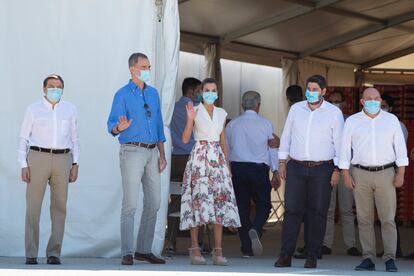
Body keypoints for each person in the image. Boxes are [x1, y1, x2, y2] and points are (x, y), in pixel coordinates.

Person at [275, 75, 344, 269]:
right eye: (309, 88)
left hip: (323, 169)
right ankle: (285, 255)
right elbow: (286, 135)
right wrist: (282, 162)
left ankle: (312, 255)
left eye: (315, 89)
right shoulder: (296, 109)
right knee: (292, 211)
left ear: (323, 91)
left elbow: (339, 143)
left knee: (318, 213)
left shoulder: (333, 113)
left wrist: (338, 169)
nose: (310, 92)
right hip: (296, 166)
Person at [107, 52, 167, 265]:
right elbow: (111, 124)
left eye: (149, 66)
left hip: (152, 152)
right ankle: (126, 252)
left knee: (154, 202)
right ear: (133, 69)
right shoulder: (122, 94)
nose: (147, 70)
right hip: (132, 151)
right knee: (130, 204)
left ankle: (143, 249)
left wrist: (162, 153)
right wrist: (118, 127)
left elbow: (159, 124)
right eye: (144, 66)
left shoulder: (153, 94)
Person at [339, 88, 408, 272]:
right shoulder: (352, 121)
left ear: (380, 100)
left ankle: (390, 258)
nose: (373, 101)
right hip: (360, 173)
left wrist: (401, 173)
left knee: (388, 219)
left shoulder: (391, 120)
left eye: (376, 98)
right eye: (368, 98)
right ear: (361, 101)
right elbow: (344, 149)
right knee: (364, 219)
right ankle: (368, 257)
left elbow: (400, 148)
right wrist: (345, 174)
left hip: (386, 173)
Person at [18, 74, 79, 265]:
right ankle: (31, 253)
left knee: (60, 206)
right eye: (51, 86)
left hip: (63, 158)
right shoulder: (33, 109)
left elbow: (75, 138)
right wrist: (23, 164)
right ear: (44, 89)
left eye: (59, 86)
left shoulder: (70, 109)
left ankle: (54, 253)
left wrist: (75, 163)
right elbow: (23, 138)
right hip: (37, 157)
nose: (55, 90)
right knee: (33, 207)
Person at [180, 78, 240, 266]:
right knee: (197, 201)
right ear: (201, 92)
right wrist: (190, 120)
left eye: (213, 90)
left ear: (217, 92)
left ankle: (218, 250)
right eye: (207, 90)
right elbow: (184, 139)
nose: (210, 93)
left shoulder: (222, 113)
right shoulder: (195, 110)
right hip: (199, 157)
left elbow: (223, 142)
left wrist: (227, 165)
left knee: (219, 202)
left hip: (218, 159)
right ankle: (195, 248)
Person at [226, 91, 280, 258]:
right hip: (258, 170)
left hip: (237, 169)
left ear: (242, 105)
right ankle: (255, 228)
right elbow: (272, 148)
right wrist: (276, 170)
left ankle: (247, 249)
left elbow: (226, 149)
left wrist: (227, 171)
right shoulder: (266, 124)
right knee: (264, 204)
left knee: (242, 207)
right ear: (259, 105)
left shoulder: (232, 124)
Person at [321, 91, 361, 256]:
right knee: (328, 208)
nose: (335, 103)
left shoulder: (350, 121)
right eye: (331, 101)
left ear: (344, 103)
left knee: (346, 208)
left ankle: (350, 244)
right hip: (328, 166)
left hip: (346, 167)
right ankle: (325, 243)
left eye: (338, 101)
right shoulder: (323, 119)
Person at [167, 77, 201, 254]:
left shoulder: (171, 107)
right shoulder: (197, 109)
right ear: (192, 91)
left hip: (175, 158)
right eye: (200, 91)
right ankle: (199, 243)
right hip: (192, 158)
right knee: (198, 200)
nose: (202, 94)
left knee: (175, 201)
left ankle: (170, 242)